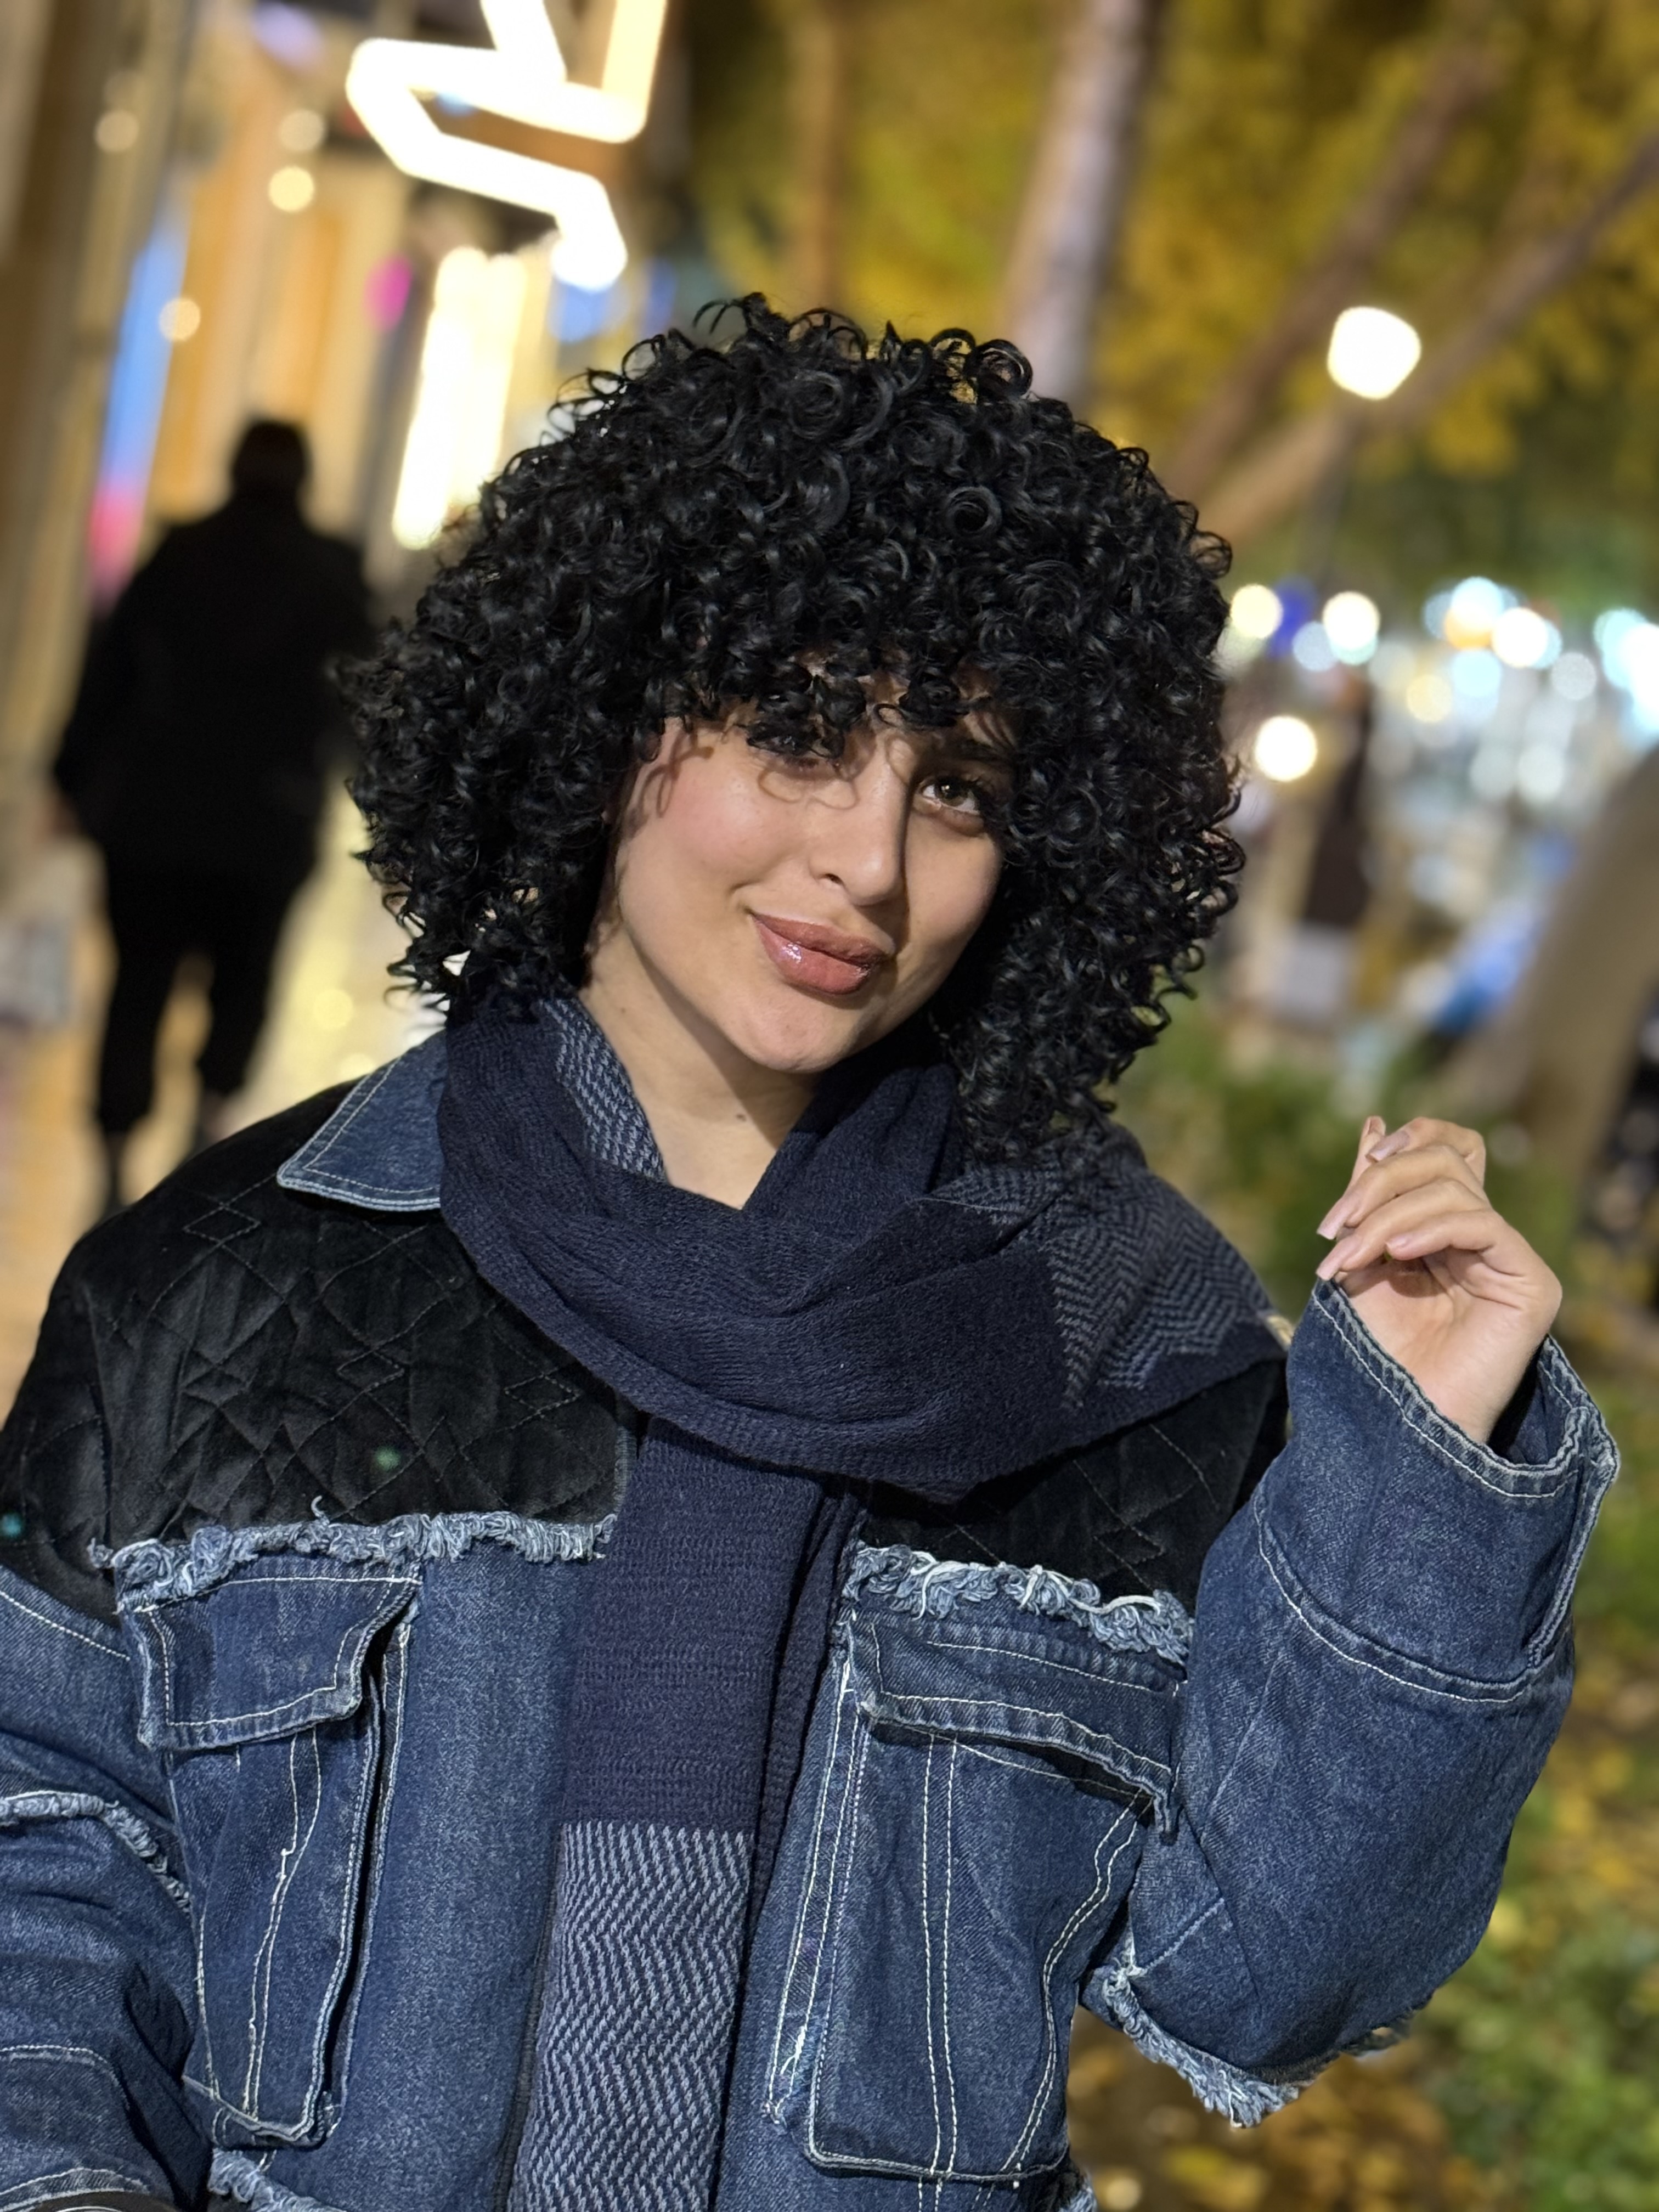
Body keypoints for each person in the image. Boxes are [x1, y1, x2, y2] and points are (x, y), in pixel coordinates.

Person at [0, 304, 1615, 2212]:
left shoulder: (1131, 1348)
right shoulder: (218, 1288)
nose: (869, 860)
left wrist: (1416, 1471)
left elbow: (1268, 1983)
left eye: (960, 786)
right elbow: (47, 1862)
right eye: (796, 730)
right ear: (603, 710)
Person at [54, 420, 372, 1215]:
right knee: (244, 985)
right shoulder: (332, 576)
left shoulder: (178, 555)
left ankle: (114, 1161)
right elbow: (366, 702)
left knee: (137, 987)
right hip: (267, 826)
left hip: (155, 821)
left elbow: (109, 671)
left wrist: (71, 776)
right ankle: (203, 1133)